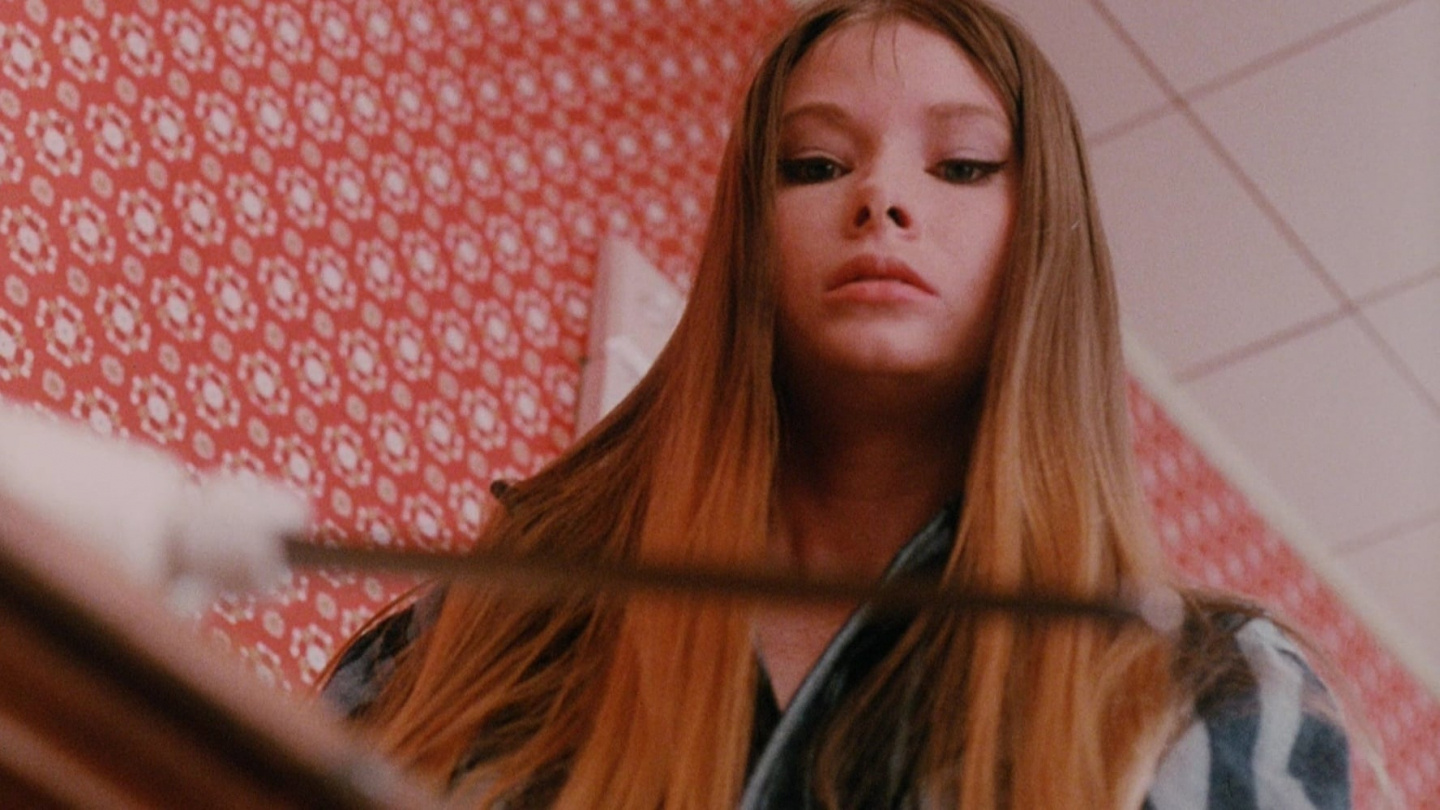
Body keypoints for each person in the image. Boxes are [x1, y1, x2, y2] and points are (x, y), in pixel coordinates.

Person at [322, 1, 1352, 807]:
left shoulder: (1210, 690)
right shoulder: (503, 621)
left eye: (961, 165)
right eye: (814, 165)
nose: (880, 200)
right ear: (747, 239)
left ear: (1043, 239)